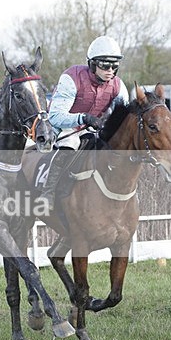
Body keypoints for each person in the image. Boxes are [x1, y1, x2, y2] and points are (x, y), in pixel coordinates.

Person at [41, 35, 129, 210]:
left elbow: (124, 117)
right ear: (92, 64)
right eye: (105, 65)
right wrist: (83, 118)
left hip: (91, 128)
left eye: (114, 66)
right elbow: (55, 116)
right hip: (64, 128)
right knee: (70, 143)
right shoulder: (72, 77)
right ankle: (48, 192)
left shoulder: (118, 86)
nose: (110, 70)